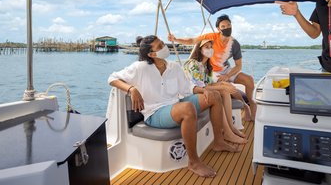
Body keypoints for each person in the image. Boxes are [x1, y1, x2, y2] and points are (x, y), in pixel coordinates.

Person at [108, 35, 240, 178]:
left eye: (163, 43)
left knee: (214, 96)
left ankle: (219, 142)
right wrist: (131, 89)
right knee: (187, 108)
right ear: (151, 54)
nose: (164, 47)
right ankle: (194, 162)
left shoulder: (174, 67)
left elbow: (186, 88)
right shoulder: (140, 68)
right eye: (159, 46)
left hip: (174, 105)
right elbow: (112, 78)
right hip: (155, 113)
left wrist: (204, 90)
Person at [168, 14, 256, 120]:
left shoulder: (234, 44)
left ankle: (251, 103)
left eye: (228, 25)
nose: (227, 28)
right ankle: (244, 106)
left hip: (226, 69)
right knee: (226, 87)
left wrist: (227, 76)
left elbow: (238, 66)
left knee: (249, 80)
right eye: (223, 26)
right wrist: (176, 39)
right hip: (212, 70)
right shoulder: (211, 37)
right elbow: (192, 41)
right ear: (218, 29)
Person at [183, 39, 249, 143]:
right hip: (190, 95)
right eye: (207, 47)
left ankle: (230, 129)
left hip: (201, 92)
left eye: (211, 47)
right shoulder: (193, 64)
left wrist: (223, 85)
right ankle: (228, 132)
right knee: (220, 92)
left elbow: (209, 85)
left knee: (225, 91)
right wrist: (222, 87)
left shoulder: (206, 66)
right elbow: (199, 88)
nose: (210, 49)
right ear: (199, 50)